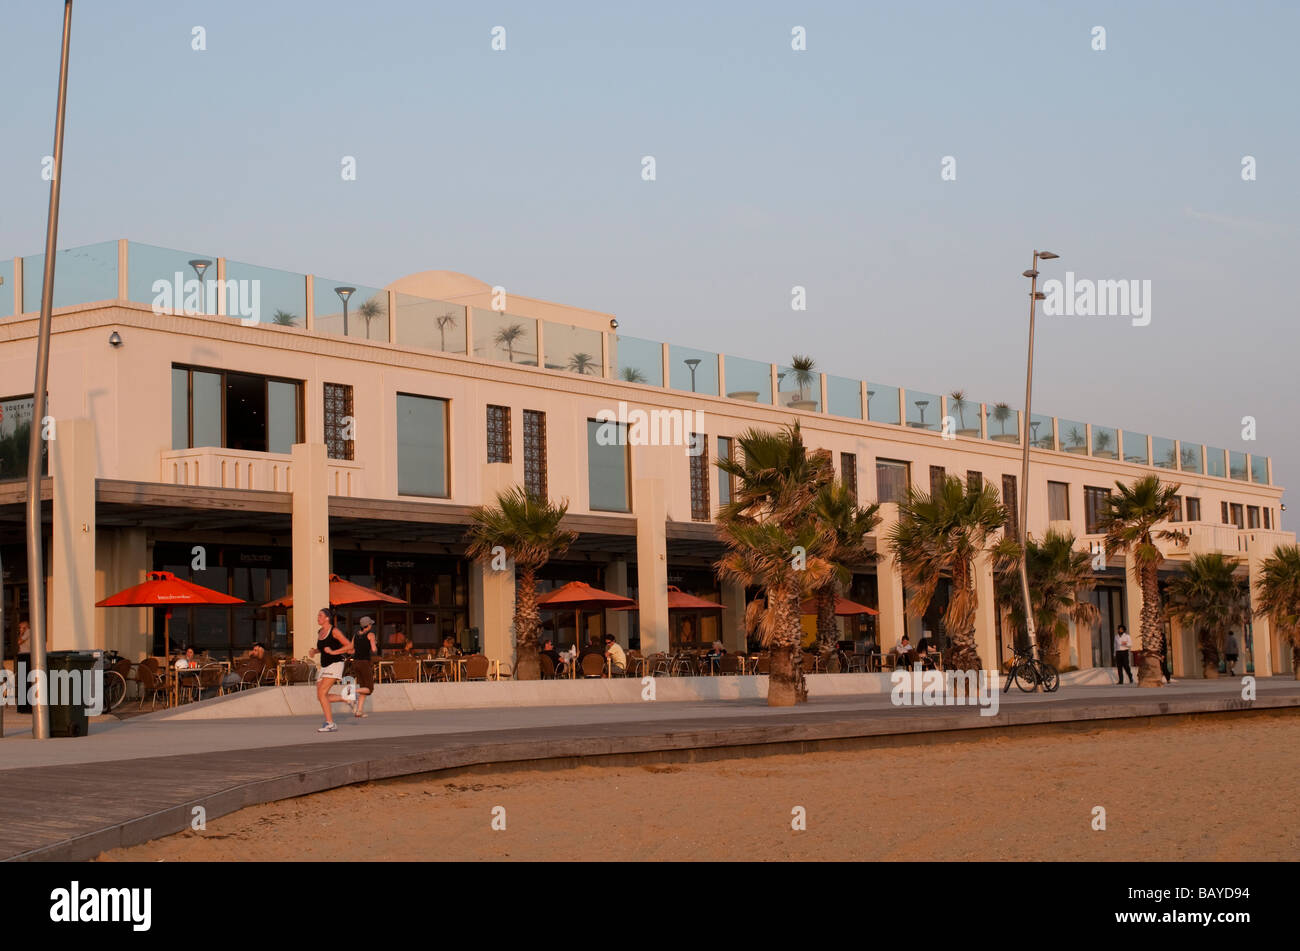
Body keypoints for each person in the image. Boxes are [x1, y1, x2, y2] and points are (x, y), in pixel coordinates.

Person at [308, 608, 354, 732]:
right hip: (324, 666)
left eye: (320, 615)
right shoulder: (320, 632)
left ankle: (330, 723)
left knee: (322, 694)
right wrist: (315, 651)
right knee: (320, 696)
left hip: (335, 664)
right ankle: (346, 698)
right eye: (318, 615)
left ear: (327, 618)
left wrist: (334, 652)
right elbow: (323, 648)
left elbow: (350, 647)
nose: (318, 617)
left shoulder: (334, 631)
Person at [352, 617, 378, 718]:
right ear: (368, 626)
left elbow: (352, 648)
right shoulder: (371, 635)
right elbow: (374, 649)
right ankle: (352, 691)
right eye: (371, 624)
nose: (371, 626)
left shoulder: (356, 635)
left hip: (356, 663)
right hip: (364, 663)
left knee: (363, 687)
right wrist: (374, 642)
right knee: (369, 689)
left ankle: (359, 711)